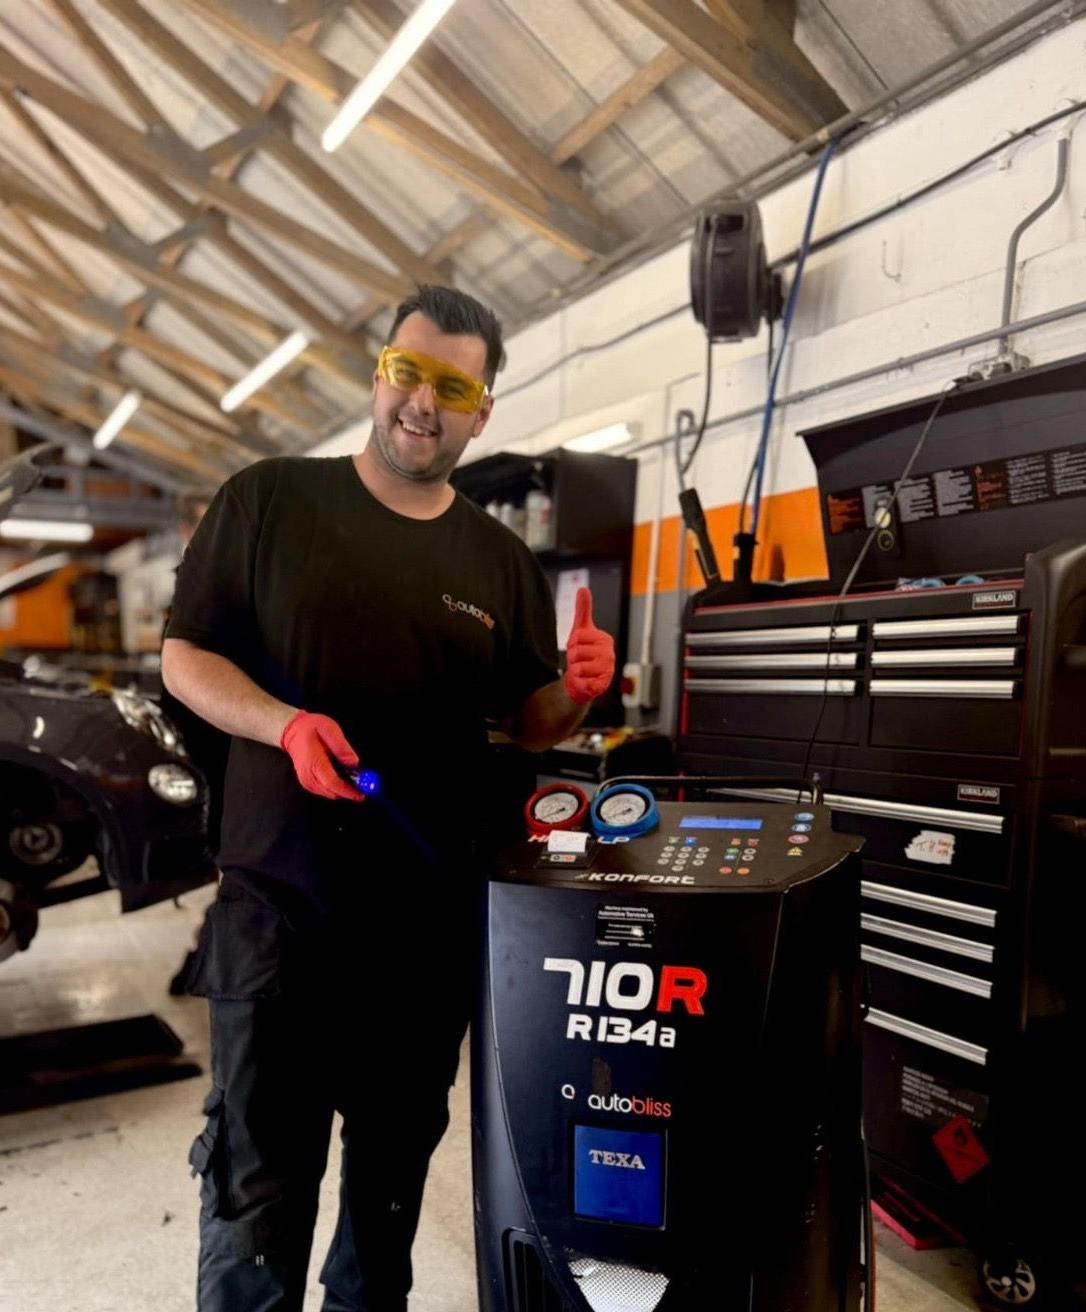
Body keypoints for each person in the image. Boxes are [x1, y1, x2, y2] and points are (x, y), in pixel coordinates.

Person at [161, 283, 616, 1312]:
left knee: (390, 1190)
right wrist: (283, 722)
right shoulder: (271, 499)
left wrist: (579, 693)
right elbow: (185, 657)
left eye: (454, 386)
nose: (425, 402)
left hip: (424, 924)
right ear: (379, 374)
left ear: (481, 410)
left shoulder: (499, 563)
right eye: (410, 373)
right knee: (256, 1182)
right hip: (282, 904)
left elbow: (528, 720)